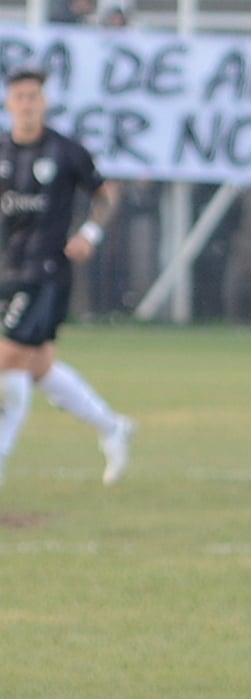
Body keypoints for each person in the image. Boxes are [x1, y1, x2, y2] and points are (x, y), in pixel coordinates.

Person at [0, 69, 134, 489]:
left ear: (45, 102)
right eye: (20, 96)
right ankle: (112, 426)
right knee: (37, 366)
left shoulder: (65, 151)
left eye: (34, 96)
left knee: (6, 359)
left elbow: (106, 194)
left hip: (45, 274)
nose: (27, 103)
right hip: (6, 272)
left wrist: (89, 234)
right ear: (9, 104)